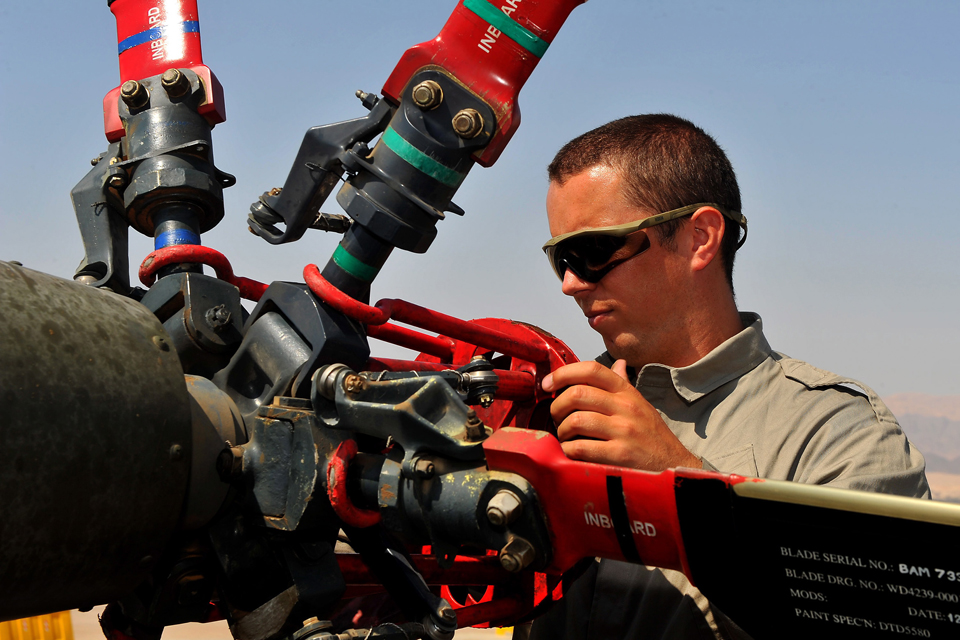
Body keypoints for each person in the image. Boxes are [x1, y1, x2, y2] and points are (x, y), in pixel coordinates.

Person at [528, 114, 930, 640]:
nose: (571, 283)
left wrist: (678, 477)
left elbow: (873, 621)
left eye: (595, 250)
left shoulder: (839, 433)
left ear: (700, 237)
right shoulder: (546, 410)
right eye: (561, 257)